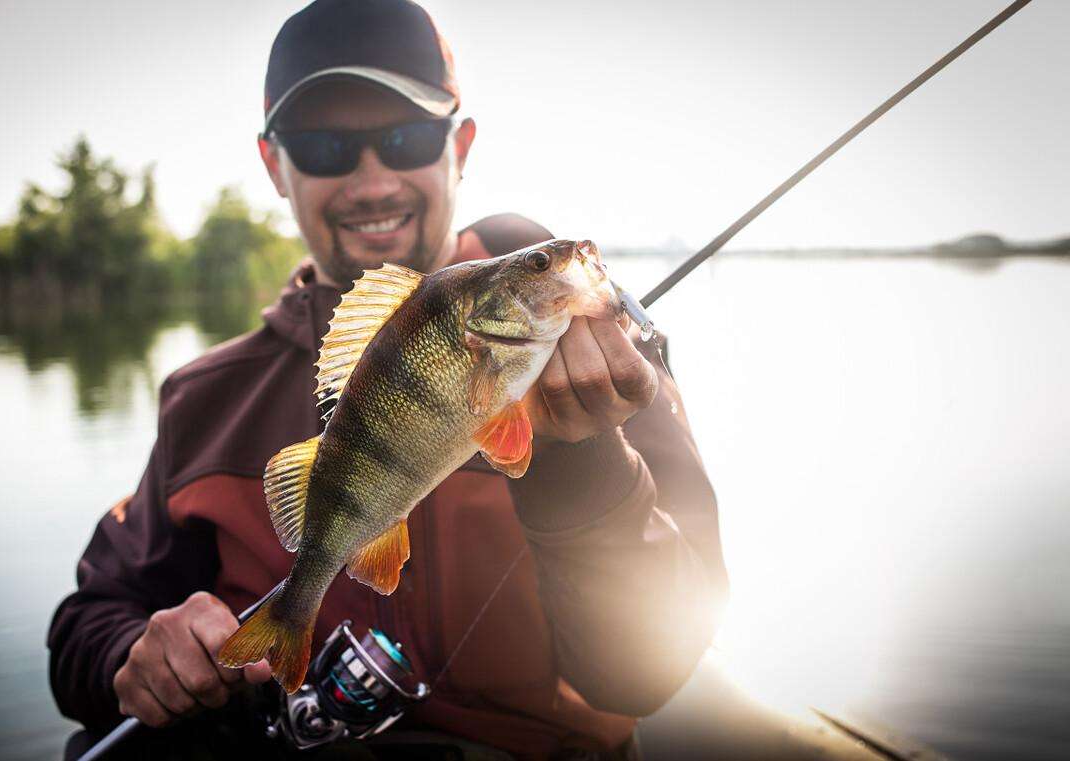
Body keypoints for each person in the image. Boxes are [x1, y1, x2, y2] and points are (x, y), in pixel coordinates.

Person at [48, 0, 728, 758]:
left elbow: (649, 673)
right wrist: (131, 655)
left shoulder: (604, 355)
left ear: (460, 145)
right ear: (276, 165)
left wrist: (580, 460)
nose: (371, 182)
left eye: (406, 137)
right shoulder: (205, 398)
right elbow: (85, 625)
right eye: (325, 146)